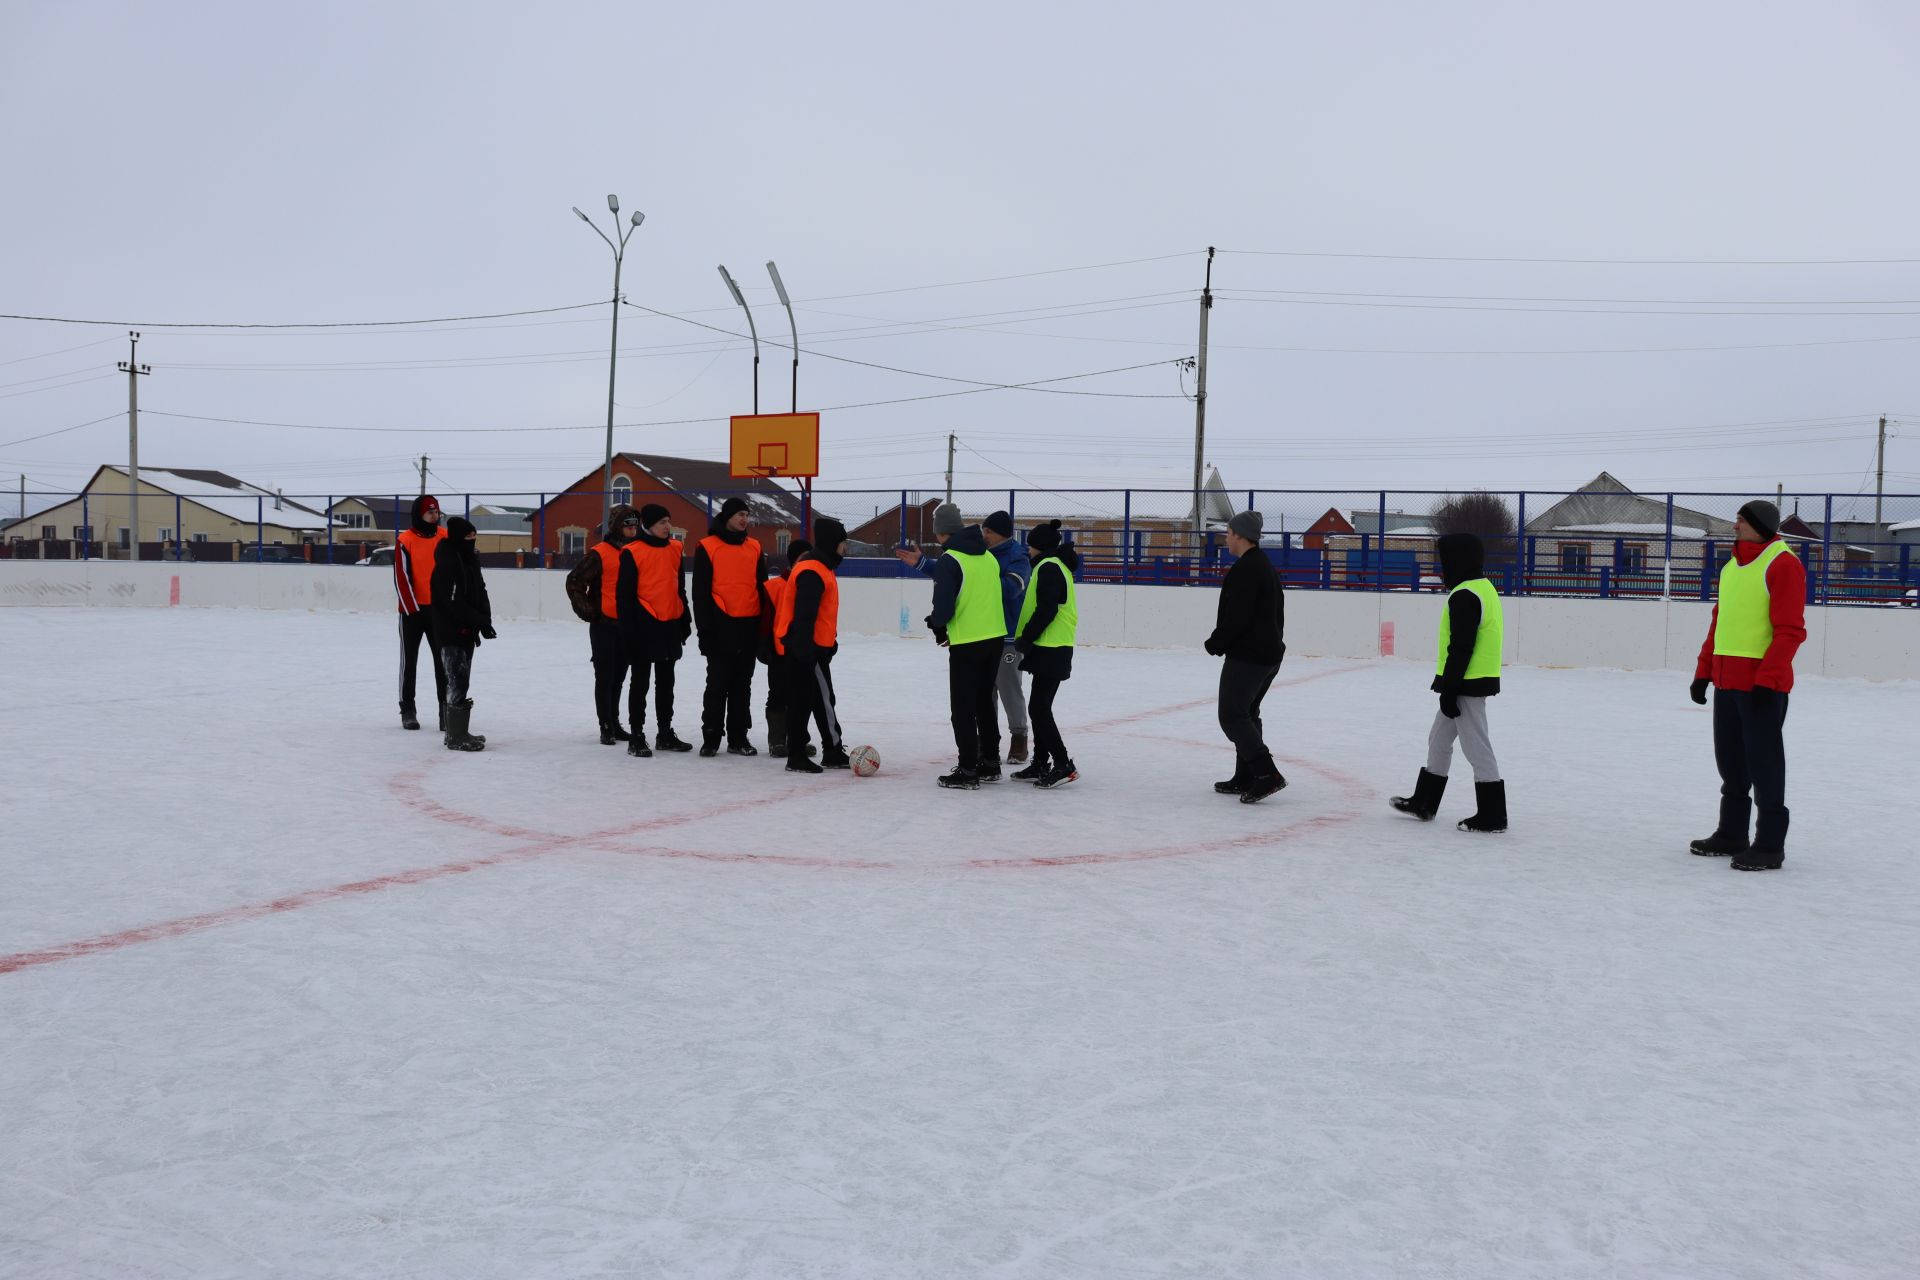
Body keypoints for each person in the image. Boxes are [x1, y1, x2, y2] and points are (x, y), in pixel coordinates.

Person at [1688, 499, 1806, 871]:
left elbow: (1790, 631)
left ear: (1759, 525)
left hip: (1761, 686)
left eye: (1741, 520)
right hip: (1727, 681)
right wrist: (1703, 671)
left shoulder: (1783, 563)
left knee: (1764, 765)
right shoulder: (1731, 567)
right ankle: (1731, 833)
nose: (1735, 526)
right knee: (1732, 764)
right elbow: (1719, 624)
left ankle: (1770, 845)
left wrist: (1768, 681)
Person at [1390, 533, 1507, 831]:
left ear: (1457, 560)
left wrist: (1450, 689)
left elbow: (1461, 647)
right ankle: (1424, 803)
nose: (1442, 567)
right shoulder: (1484, 588)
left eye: (1445, 560)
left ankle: (1493, 815)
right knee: (1439, 739)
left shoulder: (1465, 595)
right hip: (1466, 682)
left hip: (1466, 684)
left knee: (1476, 746)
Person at [1203, 510, 1286, 803]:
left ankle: (1267, 774)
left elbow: (1237, 617)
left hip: (1250, 657)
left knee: (1232, 715)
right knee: (1248, 714)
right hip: (1268, 654)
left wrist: (1216, 642)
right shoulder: (1261, 565)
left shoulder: (1247, 570)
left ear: (1239, 535)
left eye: (1228, 532)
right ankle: (1247, 775)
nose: (1225, 537)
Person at [925, 507, 1008, 788]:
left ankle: (968, 769)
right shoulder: (988, 557)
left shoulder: (951, 559)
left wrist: (936, 625)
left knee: (962, 707)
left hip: (968, 642)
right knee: (984, 701)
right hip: (994, 637)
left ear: (940, 532)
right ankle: (990, 762)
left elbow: (944, 607)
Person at [616, 505, 694, 758]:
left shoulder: (675, 548)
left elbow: (678, 586)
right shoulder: (632, 552)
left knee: (666, 682)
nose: (667, 527)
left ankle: (665, 732)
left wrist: (684, 618)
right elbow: (624, 598)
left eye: (669, 521)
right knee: (640, 682)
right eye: (662, 522)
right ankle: (637, 735)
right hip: (643, 625)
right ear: (648, 525)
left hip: (669, 623)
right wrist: (628, 633)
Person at [693, 496, 767, 757]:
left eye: (747, 514)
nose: (744, 519)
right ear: (727, 517)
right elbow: (700, 595)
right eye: (740, 514)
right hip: (720, 625)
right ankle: (711, 738)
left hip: (749, 625)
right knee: (717, 685)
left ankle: (738, 737)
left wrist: (764, 628)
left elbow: (762, 588)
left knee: (741, 686)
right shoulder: (707, 546)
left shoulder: (755, 547)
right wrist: (705, 631)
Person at [775, 519, 850, 773]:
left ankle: (828, 750)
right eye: (843, 542)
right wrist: (807, 649)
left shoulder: (822, 567)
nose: (845, 548)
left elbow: (823, 614)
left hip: (813, 647)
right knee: (811, 700)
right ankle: (804, 754)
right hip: (806, 649)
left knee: (815, 700)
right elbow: (805, 615)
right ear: (832, 543)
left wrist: (831, 640)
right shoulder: (812, 571)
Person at [564, 503, 638, 745]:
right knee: (604, 677)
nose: (632, 528)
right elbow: (574, 582)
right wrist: (590, 612)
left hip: (628, 625)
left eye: (635, 523)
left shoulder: (637, 551)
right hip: (604, 625)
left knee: (619, 677)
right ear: (617, 526)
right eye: (627, 524)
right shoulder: (600, 553)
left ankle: (615, 722)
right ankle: (605, 724)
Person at [1012, 519, 1078, 788]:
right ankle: (1040, 762)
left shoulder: (1049, 568)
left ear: (1040, 548)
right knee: (1039, 707)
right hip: (1051, 646)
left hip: (1051, 646)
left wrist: (1027, 638)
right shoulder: (1054, 565)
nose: (1028, 551)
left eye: (1031, 547)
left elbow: (1047, 610)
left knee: (1039, 708)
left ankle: (1063, 763)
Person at [429, 516, 495, 751]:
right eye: (468, 537)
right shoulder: (447, 563)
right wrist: (476, 620)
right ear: (457, 537)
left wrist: (485, 620)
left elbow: (480, 589)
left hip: (468, 628)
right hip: (450, 629)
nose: (472, 541)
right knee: (456, 678)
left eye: (475, 537)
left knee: (463, 678)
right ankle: (455, 736)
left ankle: (458, 731)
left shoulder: (469, 560)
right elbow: (452, 602)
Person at [980, 510, 1033, 764]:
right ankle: (988, 742)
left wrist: (980, 582)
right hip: (983, 634)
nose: (984, 535)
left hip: (1008, 637)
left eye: (988, 531)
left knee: (1009, 689)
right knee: (984, 691)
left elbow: (1012, 589)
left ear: (1000, 533)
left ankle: (1019, 739)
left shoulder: (1017, 556)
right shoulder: (983, 555)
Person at [392, 494, 447, 731]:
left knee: (442, 662)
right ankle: (408, 709)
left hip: (439, 611)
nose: (434, 516)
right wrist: (411, 607)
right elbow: (401, 577)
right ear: (420, 514)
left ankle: (446, 711)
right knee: (409, 662)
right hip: (412, 612)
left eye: (436, 512)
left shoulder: (445, 537)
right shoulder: (405, 540)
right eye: (430, 512)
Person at [760, 539, 813, 758]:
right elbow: (765, 621)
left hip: (805, 652)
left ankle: (798, 739)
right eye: (803, 557)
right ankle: (777, 740)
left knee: (802, 697)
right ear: (793, 560)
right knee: (778, 695)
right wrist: (765, 647)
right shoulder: (774, 586)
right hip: (780, 653)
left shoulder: (812, 583)